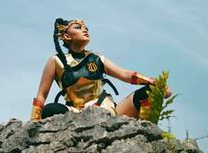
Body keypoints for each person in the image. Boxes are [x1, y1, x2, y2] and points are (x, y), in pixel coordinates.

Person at [30, 18, 171, 121]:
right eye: (78, 27)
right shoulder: (56, 61)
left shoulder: (97, 58)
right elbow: (41, 95)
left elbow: (125, 75)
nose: (85, 29)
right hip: (75, 113)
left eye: (86, 28)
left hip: (107, 109)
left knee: (147, 93)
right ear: (67, 36)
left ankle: (147, 135)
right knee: (50, 110)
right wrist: (33, 124)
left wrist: (156, 84)